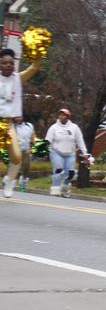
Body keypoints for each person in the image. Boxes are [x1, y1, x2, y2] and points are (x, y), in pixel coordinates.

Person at [0, 48, 41, 198]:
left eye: (11, 63)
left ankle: (9, 180)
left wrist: (37, 51)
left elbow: (34, 67)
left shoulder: (18, 78)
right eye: (4, 63)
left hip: (7, 124)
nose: (8, 66)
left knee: (17, 157)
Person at [44, 108, 90, 198]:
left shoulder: (74, 128)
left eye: (64, 115)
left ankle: (65, 188)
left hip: (70, 153)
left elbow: (80, 141)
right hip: (56, 152)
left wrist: (85, 152)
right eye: (60, 114)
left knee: (70, 173)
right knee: (58, 170)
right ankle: (56, 189)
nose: (61, 116)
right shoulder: (54, 128)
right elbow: (47, 140)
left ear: (68, 116)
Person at [12, 116, 35, 192]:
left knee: (26, 166)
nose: (18, 119)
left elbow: (33, 137)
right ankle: (12, 182)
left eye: (19, 117)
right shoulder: (12, 127)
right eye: (16, 118)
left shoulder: (29, 126)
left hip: (26, 150)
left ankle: (23, 182)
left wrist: (34, 145)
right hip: (15, 150)